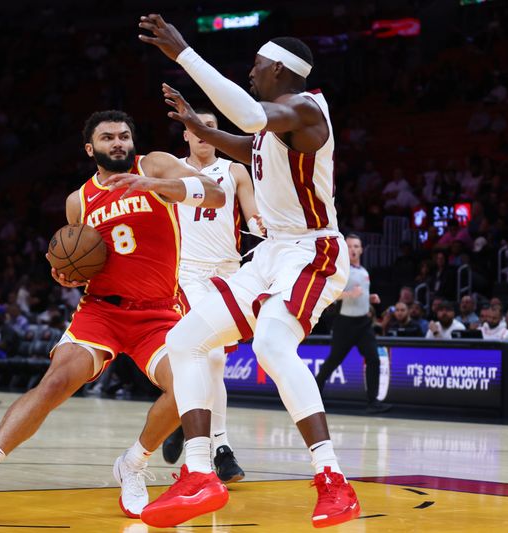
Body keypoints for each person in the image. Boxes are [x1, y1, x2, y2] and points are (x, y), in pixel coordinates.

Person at [0, 110, 225, 521]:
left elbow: (215, 195)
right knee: (56, 381)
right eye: (108, 137)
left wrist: (157, 185)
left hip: (159, 312)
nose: (118, 143)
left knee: (189, 386)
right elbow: (80, 257)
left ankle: (134, 463)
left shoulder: (155, 164)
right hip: (101, 311)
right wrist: (66, 273)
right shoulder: (80, 200)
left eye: (124, 135)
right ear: (91, 148)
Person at [138, 16, 360, 528]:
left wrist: (185, 54)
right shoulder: (275, 127)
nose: (252, 72)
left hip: (313, 251)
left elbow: (254, 121)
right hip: (272, 254)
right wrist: (201, 128)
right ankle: (199, 476)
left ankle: (333, 481)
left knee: (272, 346)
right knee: (186, 338)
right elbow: (251, 146)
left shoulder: (306, 110)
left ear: (282, 71)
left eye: (259, 66)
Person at [161, 107, 262, 482]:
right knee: (214, 356)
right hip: (188, 273)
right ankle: (220, 448)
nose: (203, 132)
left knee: (211, 361)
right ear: (185, 135)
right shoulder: (172, 168)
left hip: (229, 274)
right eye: (195, 127)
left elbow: (253, 217)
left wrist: (264, 228)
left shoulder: (234, 171)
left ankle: (185, 421)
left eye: (211, 127)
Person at [315, 234, 391, 413]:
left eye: (356, 246)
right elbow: (329, 294)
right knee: (333, 361)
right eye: (349, 246)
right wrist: (348, 295)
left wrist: (370, 298)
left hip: (364, 323)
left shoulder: (364, 271)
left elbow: (361, 293)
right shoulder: (340, 270)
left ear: (361, 249)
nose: (353, 249)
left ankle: (373, 402)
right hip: (345, 324)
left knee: (373, 359)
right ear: (344, 249)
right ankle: (313, 399)